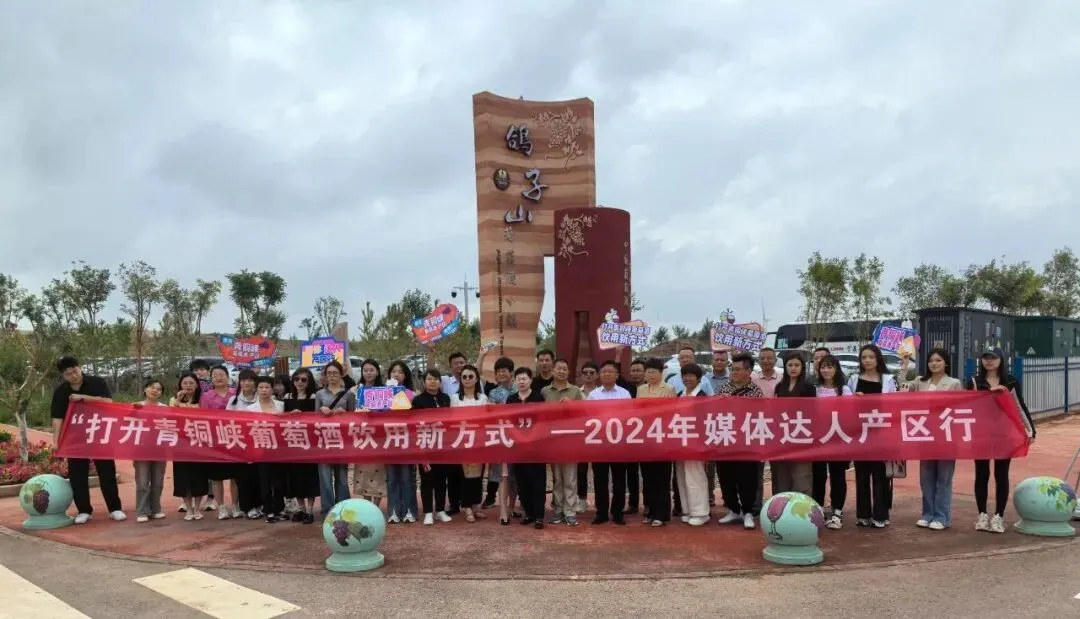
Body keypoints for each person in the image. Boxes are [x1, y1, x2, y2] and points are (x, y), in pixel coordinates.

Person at [967, 348, 1035, 534]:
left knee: (1001, 474)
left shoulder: (1011, 381)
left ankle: (999, 516)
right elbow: (968, 406)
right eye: (985, 357)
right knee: (981, 473)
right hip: (981, 433)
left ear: (1000, 360)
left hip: (1004, 433)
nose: (989, 361)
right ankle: (982, 515)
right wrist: (988, 394)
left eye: (993, 358)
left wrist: (1030, 430)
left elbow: (1019, 405)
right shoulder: (974, 381)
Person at [50, 356, 123, 524]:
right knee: (77, 475)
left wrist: (82, 397)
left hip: (99, 434)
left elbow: (109, 402)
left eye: (75, 371)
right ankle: (84, 510)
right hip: (75, 438)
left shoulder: (97, 383)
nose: (73, 376)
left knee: (107, 472)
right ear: (63, 375)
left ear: (80, 367)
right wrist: (56, 442)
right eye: (68, 374)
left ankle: (115, 508)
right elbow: (57, 418)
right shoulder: (60, 392)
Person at [903, 348, 963, 530]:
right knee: (926, 477)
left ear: (946, 363)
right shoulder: (920, 382)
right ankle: (927, 514)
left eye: (938, 360)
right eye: (931, 361)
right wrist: (904, 367)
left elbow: (959, 408)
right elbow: (903, 388)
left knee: (943, 478)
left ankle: (941, 517)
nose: (934, 363)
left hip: (946, 434)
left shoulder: (954, 383)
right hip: (925, 434)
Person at [848, 344, 898, 528]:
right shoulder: (853, 379)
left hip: (881, 433)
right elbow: (845, 404)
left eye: (871, 357)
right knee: (862, 475)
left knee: (880, 476)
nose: (867, 360)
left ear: (878, 359)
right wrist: (854, 399)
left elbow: (894, 404)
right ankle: (863, 515)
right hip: (860, 433)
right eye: (864, 357)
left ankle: (880, 515)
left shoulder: (888, 379)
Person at [715, 352, 765, 529]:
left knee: (747, 478)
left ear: (748, 371)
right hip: (725, 439)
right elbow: (713, 413)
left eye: (738, 369)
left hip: (746, 442)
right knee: (725, 477)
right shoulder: (723, 389)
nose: (734, 372)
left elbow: (760, 416)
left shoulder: (756, 391)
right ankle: (734, 509)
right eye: (733, 369)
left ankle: (748, 512)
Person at [587, 360, 632, 525]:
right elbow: (588, 417)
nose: (606, 374)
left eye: (610, 371)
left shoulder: (625, 394)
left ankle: (617, 512)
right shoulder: (593, 395)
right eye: (604, 371)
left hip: (619, 443)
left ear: (617, 375)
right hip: (599, 443)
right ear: (599, 375)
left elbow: (629, 417)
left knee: (619, 480)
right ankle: (601, 513)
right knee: (600, 479)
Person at [541, 358, 584, 526]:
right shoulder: (545, 391)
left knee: (570, 478)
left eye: (564, 369)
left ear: (568, 372)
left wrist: (571, 405)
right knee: (557, 478)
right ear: (553, 371)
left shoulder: (575, 391)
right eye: (558, 368)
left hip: (570, 439)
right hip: (552, 440)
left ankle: (570, 511)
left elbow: (583, 413)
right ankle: (558, 509)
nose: (561, 371)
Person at [813, 354, 853, 529]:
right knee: (818, 475)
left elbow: (850, 413)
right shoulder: (815, 389)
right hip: (819, 439)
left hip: (837, 438)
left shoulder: (844, 390)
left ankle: (837, 511)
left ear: (836, 369)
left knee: (837, 475)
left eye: (829, 367)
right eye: (823, 367)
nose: (826, 370)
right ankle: (818, 509)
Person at [636, 358, 676, 527]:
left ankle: (662, 514)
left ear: (661, 373)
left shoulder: (669, 389)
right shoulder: (641, 389)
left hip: (662, 439)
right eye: (648, 372)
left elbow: (672, 413)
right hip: (645, 439)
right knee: (647, 477)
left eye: (653, 372)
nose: (650, 375)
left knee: (662, 478)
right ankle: (650, 511)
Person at [507, 367, 547, 529]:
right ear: (515, 381)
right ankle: (529, 513)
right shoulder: (511, 399)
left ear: (530, 380)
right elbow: (509, 422)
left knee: (537, 482)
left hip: (536, 447)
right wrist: (519, 437)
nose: (522, 382)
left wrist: (531, 437)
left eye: (524, 379)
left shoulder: (538, 397)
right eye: (519, 379)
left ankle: (539, 516)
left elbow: (543, 420)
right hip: (518, 447)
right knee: (522, 482)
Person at [771, 352, 816, 495]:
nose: (793, 368)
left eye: (797, 365)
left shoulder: (808, 387)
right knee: (782, 476)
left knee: (801, 476)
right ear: (785, 367)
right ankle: (782, 505)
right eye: (790, 365)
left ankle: (802, 505)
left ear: (802, 367)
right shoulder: (779, 386)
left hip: (801, 435)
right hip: (782, 435)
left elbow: (812, 412)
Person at [315, 360, 355, 516]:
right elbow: (313, 419)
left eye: (335, 373)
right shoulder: (319, 394)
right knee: (325, 478)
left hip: (341, 440)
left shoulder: (348, 393)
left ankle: (343, 508)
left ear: (341, 374)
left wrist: (344, 414)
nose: (332, 376)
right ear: (325, 375)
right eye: (329, 373)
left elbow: (354, 417)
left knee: (342, 478)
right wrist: (321, 410)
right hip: (324, 440)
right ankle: (328, 510)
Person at [414, 369, 453, 525]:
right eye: (429, 379)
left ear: (440, 382)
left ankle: (441, 510)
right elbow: (413, 423)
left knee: (441, 480)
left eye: (436, 379)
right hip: (425, 444)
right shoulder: (418, 400)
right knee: (426, 480)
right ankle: (428, 512)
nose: (433, 382)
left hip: (442, 444)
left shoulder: (446, 398)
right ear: (424, 382)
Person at [203, 365, 243, 519]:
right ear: (211, 379)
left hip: (235, 438)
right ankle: (221, 507)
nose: (218, 377)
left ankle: (235, 505)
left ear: (227, 376)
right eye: (215, 375)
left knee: (235, 476)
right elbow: (202, 418)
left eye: (221, 374)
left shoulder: (236, 393)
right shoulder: (206, 396)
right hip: (216, 440)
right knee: (217, 476)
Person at [451, 364, 488, 523]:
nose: (467, 379)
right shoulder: (455, 399)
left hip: (479, 440)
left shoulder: (482, 398)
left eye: (470, 376)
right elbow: (452, 420)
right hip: (462, 440)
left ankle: (476, 505)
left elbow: (486, 419)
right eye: (464, 377)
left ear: (476, 379)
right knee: (465, 475)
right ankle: (466, 507)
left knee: (478, 475)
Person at [246, 376, 287, 522]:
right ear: (257, 390)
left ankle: (280, 508)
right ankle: (268, 509)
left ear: (272, 389)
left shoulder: (281, 405)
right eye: (261, 387)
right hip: (261, 448)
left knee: (279, 480)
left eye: (267, 387)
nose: (264, 390)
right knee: (264, 480)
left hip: (279, 448)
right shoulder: (250, 409)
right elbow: (248, 430)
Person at [674, 363, 710, 526]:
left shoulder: (702, 397)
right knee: (682, 476)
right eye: (685, 375)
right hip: (680, 441)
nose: (687, 379)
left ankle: (701, 512)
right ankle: (687, 509)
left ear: (699, 378)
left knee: (695, 476)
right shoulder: (679, 395)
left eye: (691, 376)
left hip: (696, 442)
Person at [170, 373, 210, 520]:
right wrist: (178, 401)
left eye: (191, 383)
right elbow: (171, 415)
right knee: (182, 476)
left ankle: (197, 508)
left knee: (198, 475)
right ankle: (188, 508)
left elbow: (203, 414)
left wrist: (183, 406)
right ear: (180, 385)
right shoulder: (174, 400)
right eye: (185, 383)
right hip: (180, 443)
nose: (188, 386)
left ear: (197, 385)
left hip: (198, 442)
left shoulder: (203, 399)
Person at [283, 368, 319, 524]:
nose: (300, 382)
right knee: (295, 477)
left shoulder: (314, 397)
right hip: (292, 442)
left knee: (309, 477)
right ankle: (301, 509)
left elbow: (318, 419)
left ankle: (310, 511)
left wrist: (304, 415)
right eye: (297, 379)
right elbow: (281, 419)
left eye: (304, 380)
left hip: (310, 444)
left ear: (309, 381)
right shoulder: (287, 397)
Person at [384, 361, 418, 524]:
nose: (396, 374)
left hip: (406, 441)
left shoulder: (411, 394)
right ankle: (393, 511)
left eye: (400, 372)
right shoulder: (382, 394)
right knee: (391, 478)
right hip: (389, 440)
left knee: (406, 477)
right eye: (393, 371)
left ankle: (409, 510)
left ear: (405, 376)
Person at [226, 369, 263, 519]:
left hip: (260, 442)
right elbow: (227, 421)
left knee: (259, 475)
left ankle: (260, 504)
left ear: (255, 382)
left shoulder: (262, 397)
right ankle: (247, 506)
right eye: (243, 380)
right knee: (244, 477)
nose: (246, 383)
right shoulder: (233, 401)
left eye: (250, 380)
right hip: (241, 444)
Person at [481, 356, 516, 511]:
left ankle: (513, 505)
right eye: (498, 371)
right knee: (499, 472)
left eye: (504, 370)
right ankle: (498, 504)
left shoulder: (519, 389)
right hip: (500, 435)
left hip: (518, 436)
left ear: (512, 372)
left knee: (516, 472)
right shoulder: (493, 393)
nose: (501, 374)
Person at [352, 359, 387, 506]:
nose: (368, 373)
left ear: (377, 372)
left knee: (379, 471)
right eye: (365, 370)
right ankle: (367, 504)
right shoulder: (357, 390)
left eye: (371, 370)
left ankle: (376, 506)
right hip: (362, 435)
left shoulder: (384, 390)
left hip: (379, 436)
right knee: (363, 470)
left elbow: (388, 412)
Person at [131, 379, 168, 523]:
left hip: (160, 449)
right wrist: (132, 411)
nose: (155, 391)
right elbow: (125, 423)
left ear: (161, 393)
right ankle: (142, 511)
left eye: (159, 389)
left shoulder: (165, 408)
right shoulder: (136, 406)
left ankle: (156, 509)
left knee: (158, 482)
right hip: (141, 449)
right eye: (152, 387)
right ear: (145, 389)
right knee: (142, 482)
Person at [575, 361, 601, 511]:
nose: (589, 375)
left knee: (599, 470)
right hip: (580, 436)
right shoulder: (576, 393)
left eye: (592, 372)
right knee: (581, 470)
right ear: (581, 375)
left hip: (599, 436)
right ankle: (582, 499)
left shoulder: (601, 393)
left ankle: (600, 500)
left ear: (597, 375)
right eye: (585, 373)